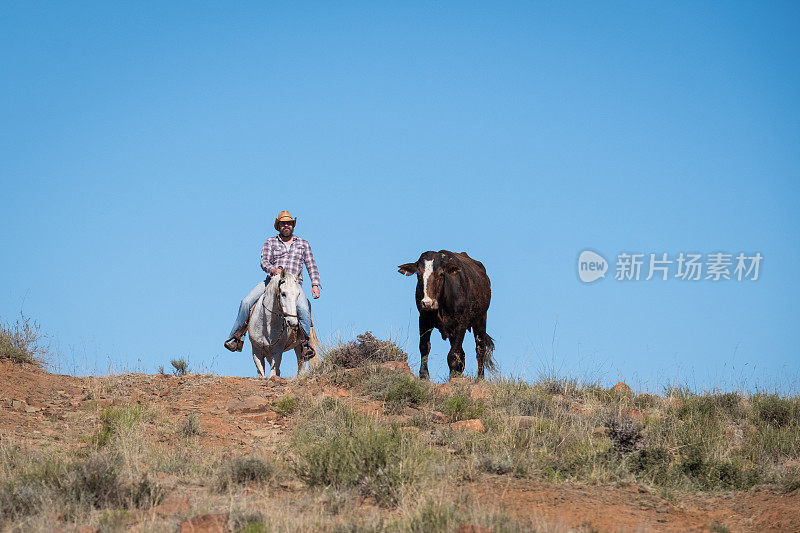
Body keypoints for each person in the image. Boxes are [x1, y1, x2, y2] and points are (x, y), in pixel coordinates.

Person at [224, 210, 321, 358]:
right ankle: (237, 337)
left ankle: (305, 343)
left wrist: (315, 284)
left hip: (293, 284)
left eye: (288, 223)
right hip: (272, 282)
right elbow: (264, 261)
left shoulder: (303, 243)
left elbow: (311, 264)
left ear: (293, 225)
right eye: (283, 224)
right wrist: (272, 269)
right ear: (278, 226)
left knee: (303, 309)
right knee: (246, 302)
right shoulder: (270, 242)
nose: (286, 226)